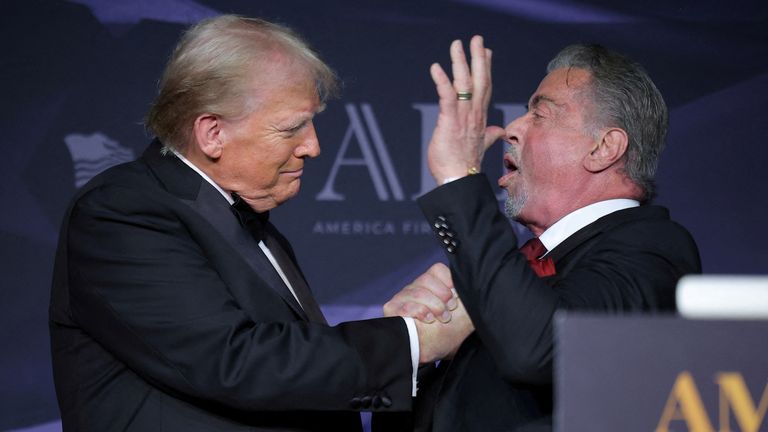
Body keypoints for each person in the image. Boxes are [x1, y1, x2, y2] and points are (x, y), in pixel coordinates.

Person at [49, 15, 471, 432]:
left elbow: (295, 390)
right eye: (292, 128)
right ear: (212, 133)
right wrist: (410, 341)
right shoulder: (122, 212)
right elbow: (230, 361)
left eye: (312, 122)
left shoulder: (248, 220)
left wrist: (405, 342)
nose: (313, 146)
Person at [382, 37, 701, 431]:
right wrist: (415, 358)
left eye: (540, 114)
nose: (512, 128)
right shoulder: (511, 276)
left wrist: (458, 176)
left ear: (604, 147)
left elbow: (538, 349)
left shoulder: (653, 249)